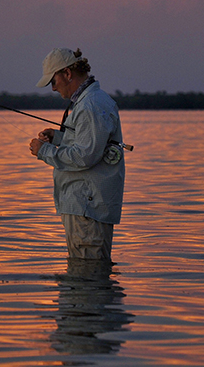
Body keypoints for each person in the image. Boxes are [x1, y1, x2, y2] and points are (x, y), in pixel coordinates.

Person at [29, 47, 125, 262]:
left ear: (67, 74)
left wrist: (44, 151)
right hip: (86, 207)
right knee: (84, 278)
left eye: (53, 81)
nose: (53, 89)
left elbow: (85, 156)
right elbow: (90, 144)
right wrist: (59, 138)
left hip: (87, 209)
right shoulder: (91, 102)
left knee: (87, 275)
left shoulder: (90, 105)